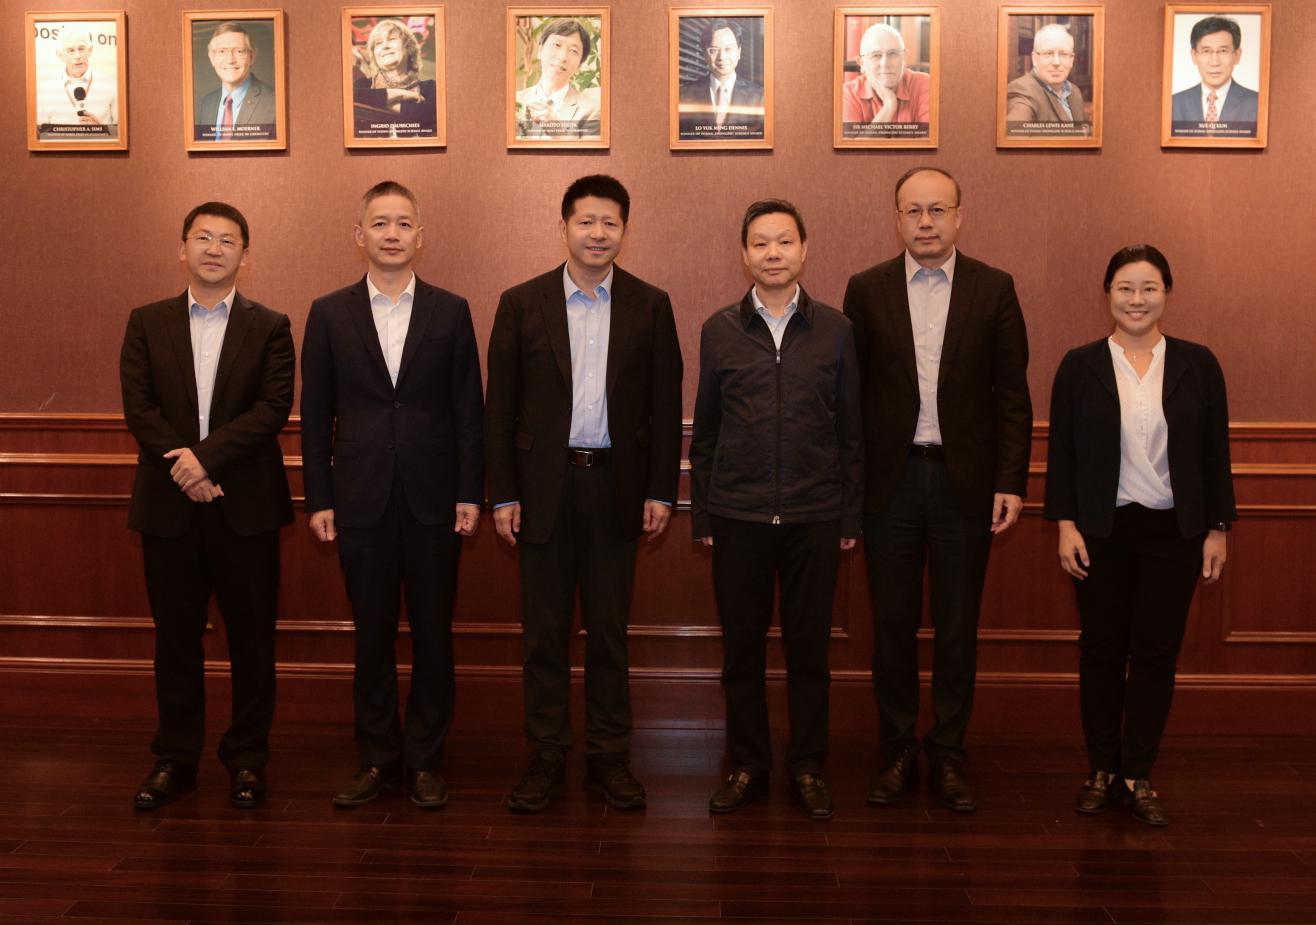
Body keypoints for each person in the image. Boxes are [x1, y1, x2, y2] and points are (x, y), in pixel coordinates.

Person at [485, 174, 683, 813]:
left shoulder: (650, 305)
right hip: (541, 491)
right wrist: (502, 494)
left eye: (610, 223)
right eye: (586, 221)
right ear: (564, 227)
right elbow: (499, 409)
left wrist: (661, 490)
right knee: (543, 635)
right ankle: (545, 756)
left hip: (616, 489)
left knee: (609, 635)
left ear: (625, 229)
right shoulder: (521, 303)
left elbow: (664, 405)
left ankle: (608, 757)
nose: (598, 233)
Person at [842, 166, 1032, 813]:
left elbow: (1012, 395)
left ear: (958, 216)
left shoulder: (994, 288)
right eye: (913, 211)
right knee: (891, 624)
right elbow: (851, 397)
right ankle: (897, 750)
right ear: (896, 219)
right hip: (890, 485)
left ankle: (949, 753)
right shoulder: (866, 289)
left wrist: (1011, 480)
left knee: (956, 626)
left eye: (937, 210)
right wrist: (851, 486)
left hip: (964, 484)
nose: (925, 222)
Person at [300, 181, 484, 810]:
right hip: (358, 500)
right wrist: (319, 498)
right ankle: (377, 757)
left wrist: (470, 491)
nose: (392, 234)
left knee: (434, 635)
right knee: (371, 637)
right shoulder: (329, 313)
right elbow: (316, 414)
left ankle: (426, 759)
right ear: (360, 236)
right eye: (380, 223)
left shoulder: (451, 310)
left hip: (435, 500)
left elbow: (469, 410)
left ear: (419, 237)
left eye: (404, 223)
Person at [1045, 245, 1235, 827]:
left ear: (1166, 294)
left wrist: (1218, 529)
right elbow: (1063, 453)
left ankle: (1138, 772)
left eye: (1149, 288)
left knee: (1156, 653)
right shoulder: (1079, 366)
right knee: (1100, 651)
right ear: (1107, 294)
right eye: (1125, 288)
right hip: (1100, 531)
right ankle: (1102, 770)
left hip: (1174, 532)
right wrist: (1066, 525)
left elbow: (1215, 453)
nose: (1136, 299)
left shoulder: (1198, 364)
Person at [690, 199, 863, 821]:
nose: (772, 254)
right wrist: (705, 516)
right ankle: (747, 764)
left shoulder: (836, 330)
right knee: (742, 653)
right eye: (760, 243)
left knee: (809, 653)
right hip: (737, 517)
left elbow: (851, 431)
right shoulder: (719, 329)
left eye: (784, 242)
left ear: (804, 250)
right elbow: (706, 432)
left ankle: (808, 766)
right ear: (744, 255)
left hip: (815, 517)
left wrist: (848, 517)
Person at [119, 202, 294, 811]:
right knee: (175, 640)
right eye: (202, 237)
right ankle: (175, 759)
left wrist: (205, 461)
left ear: (245, 254)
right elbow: (139, 407)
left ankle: (247, 759)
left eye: (227, 240)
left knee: (253, 641)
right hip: (169, 508)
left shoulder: (270, 325)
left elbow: (272, 409)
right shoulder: (147, 322)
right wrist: (185, 467)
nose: (214, 249)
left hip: (246, 508)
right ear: (182, 247)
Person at [515, 18, 602, 139]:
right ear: (540, 50)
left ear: (579, 66)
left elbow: (591, 152)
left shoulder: (592, 111)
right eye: (556, 45)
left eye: (573, 51)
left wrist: (558, 133)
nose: (562, 57)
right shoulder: (514, 101)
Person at [352, 18, 437, 138]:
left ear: (408, 48)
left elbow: (425, 115)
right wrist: (399, 94)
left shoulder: (430, 88)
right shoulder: (362, 84)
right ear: (374, 55)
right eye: (378, 43)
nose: (385, 46)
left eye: (391, 39)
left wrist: (382, 101)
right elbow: (350, 97)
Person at [678, 19, 764, 135]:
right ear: (705, 54)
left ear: (739, 52)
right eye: (713, 50)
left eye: (728, 49)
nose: (722, 57)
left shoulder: (759, 96)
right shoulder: (684, 94)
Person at [194, 22, 277, 142]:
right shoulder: (206, 104)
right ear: (212, 58)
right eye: (222, 51)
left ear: (252, 57)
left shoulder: (274, 103)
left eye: (239, 51)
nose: (230, 60)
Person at [1170, 16, 1258, 128]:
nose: (1215, 62)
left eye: (1223, 51)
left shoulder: (1257, 104)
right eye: (1206, 51)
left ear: (1237, 55)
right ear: (1194, 56)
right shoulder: (1174, 103)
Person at [840, 23, 931, 126]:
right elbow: (849, 138)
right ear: (862, 63)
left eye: (893, 54)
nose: (885, 64)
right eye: (876, 55)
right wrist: (889, 105)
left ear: (904, 58)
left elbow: (931, 136)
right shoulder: (847, 94)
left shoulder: (925, 84)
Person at [37, 27, 118, 138]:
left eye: (81, 49)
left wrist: (103, 129)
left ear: (90, 50)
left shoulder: (110, 84)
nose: (78, 56)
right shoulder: (47, 90)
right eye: (71, 51)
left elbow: (122, 133)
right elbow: (39, 135)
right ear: (60, 56)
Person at [1005, 23, 1088, 126]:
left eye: (1064, 54)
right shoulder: (1022, 91)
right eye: (1048, 53)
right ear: (1035, 59)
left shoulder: (1074, 91)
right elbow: (1015, 132)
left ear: (1071, 60)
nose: (1056, 62)